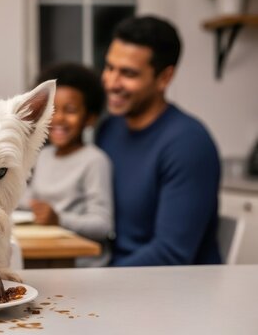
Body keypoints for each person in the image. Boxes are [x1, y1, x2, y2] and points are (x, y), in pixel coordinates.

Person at [96, 15, 221, 266]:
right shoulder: (109, 129)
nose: (111, 82)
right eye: (110, 67)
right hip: (119, 278)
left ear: (164, 78)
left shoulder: (188, 144)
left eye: (128, 73)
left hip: (174, 292)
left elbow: (171, 253)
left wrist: (97, 281)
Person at [22, 63, 113, 267]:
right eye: (52, 110)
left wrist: (58, 218)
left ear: (89, 118)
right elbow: (31, 199)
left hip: (80, 263)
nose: (59, 118)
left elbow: (102, 225)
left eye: (70, 110)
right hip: (48, 254)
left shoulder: (95, 160)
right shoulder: (43, 156)